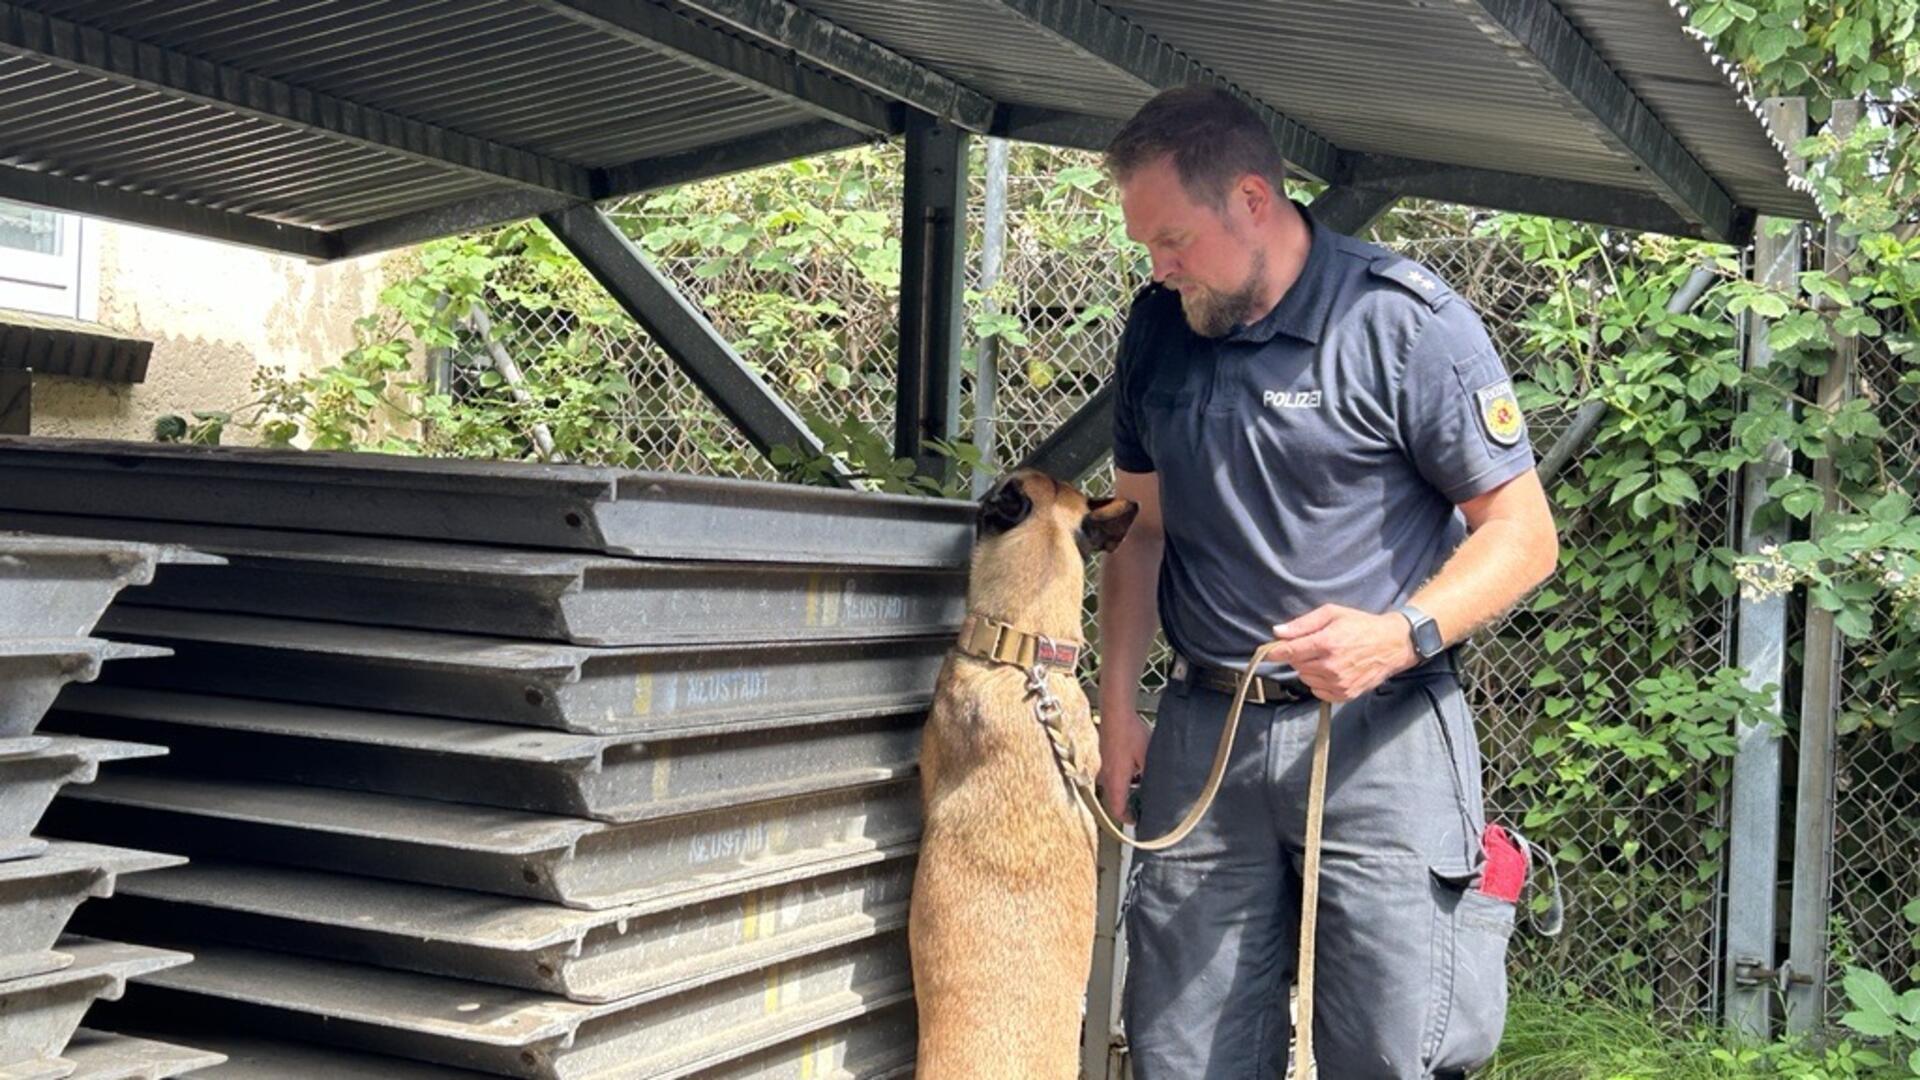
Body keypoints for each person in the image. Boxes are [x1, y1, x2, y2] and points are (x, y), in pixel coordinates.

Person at [1094, 85, 1561, 1079]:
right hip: (1203, 739)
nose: (1159, 266)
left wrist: (1399, 634)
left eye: (1173, 239)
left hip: (1380, 738)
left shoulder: (1403, 322)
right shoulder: (1156, 330)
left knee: (1394, 1051)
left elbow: (1523, 536)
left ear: (1254, 201)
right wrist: (1116, 708)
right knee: (1180, 1056)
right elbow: (1138, 535)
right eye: (1147, 246)